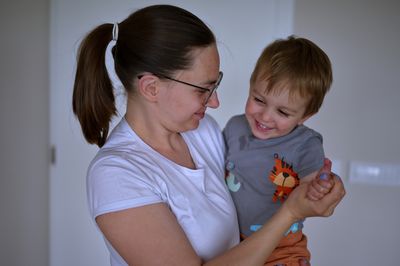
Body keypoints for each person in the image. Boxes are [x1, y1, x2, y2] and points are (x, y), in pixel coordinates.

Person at [72, 5, 345, 266]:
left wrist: (318, 189)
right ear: (152, 88)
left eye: (216, 85)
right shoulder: (116, 174)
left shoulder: (205, 132)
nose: (215, 103)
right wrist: (291, 212)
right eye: (203, 90)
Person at [223, 36, 334, 265]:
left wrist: (318, 188)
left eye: (282, 113)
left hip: (283, 246)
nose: (265, 117)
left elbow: (310, 188)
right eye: (258, 99)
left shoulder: (306, 144)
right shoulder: (234, 127)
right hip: (232, 240)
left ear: (305, 116)